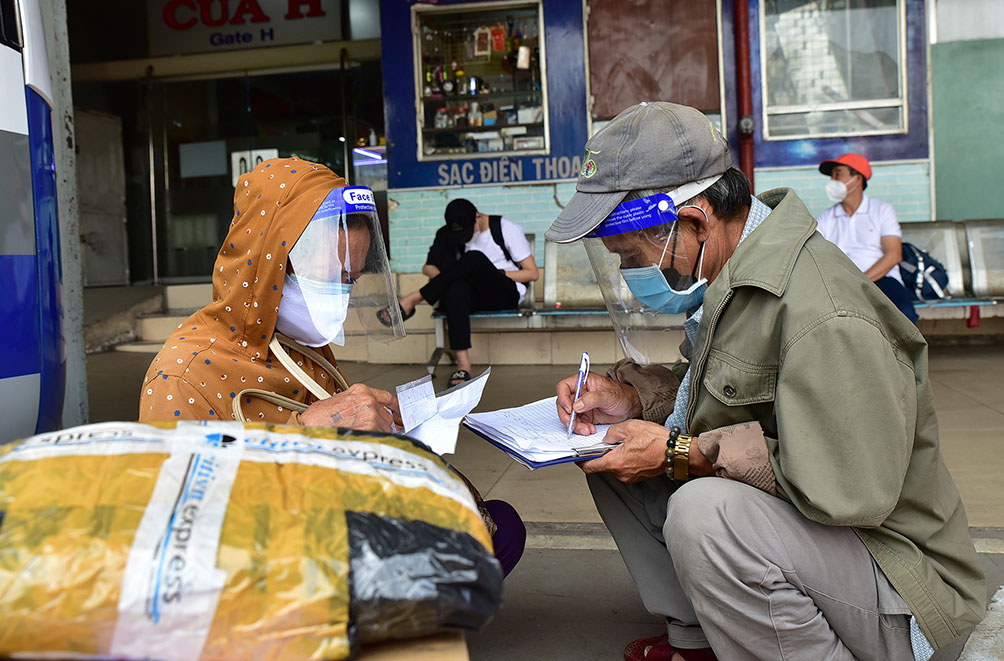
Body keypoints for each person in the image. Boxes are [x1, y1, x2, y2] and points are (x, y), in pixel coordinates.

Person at [545, 103, 984, 660]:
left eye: (634, 256)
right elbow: (731, 390)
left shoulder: (826, 313)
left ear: (698, 222)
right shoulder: (736, 274)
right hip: (837, 546)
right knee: (608, 443)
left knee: (707, 514)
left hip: (896, 580)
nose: (633, 278)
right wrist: (632, 400)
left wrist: (683, 453)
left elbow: (849, 488)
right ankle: (700, 639)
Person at [139, 157, 524, 576]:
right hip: (266, 571)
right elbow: (178, 528)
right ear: (269, 263)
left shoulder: (298, 343)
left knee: (499, 528)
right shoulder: (182, 377)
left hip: (328, 531)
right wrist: (304, 435)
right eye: (327, 277)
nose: (339, 297)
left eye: (351, 281)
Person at [390, 199, 538, 386]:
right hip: (473, 295)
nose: (465, 238)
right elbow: (428, 267)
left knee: (473, 258)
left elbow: (533, 273)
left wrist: (494, 272)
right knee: (456, 288)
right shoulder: (450, 234)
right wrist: (448, 279)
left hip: (504, 292)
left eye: (468, 231)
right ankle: (463, 365)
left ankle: (415, 298)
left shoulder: (505, 228)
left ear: (477, 217)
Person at [816, 153, 918, 323]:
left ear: (857, 179)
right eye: (832, 175)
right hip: (841, 283)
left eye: (838, 173)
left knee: (905, 318)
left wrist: (861, 282)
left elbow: (893, 255)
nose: (833, 180)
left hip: (881, 279)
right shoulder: (827, 218)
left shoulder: (881, 211)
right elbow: (816, 254)